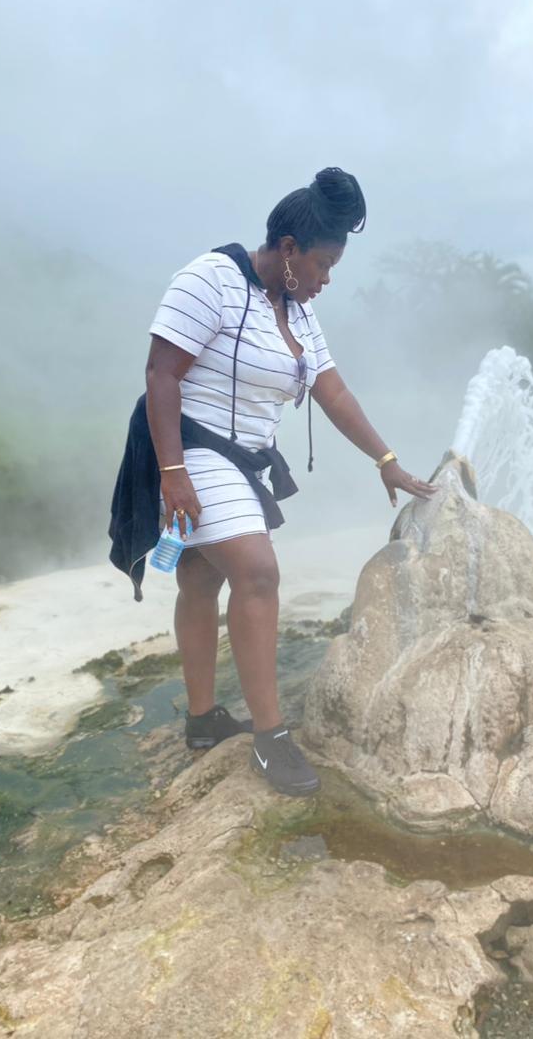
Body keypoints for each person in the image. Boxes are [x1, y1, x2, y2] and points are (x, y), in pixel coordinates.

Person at [138, 167, 437, 796]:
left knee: (201, 574)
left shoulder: (298, 313)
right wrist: (172, 475)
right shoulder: (209, 280)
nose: (328, 279)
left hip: (246, 461)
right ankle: (271, 740)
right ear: (291, 249)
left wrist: (386, 461)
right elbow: (161, 374)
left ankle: (201, 719)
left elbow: (333, 390)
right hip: (190, 450)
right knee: (258, 572)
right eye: (324, 264)